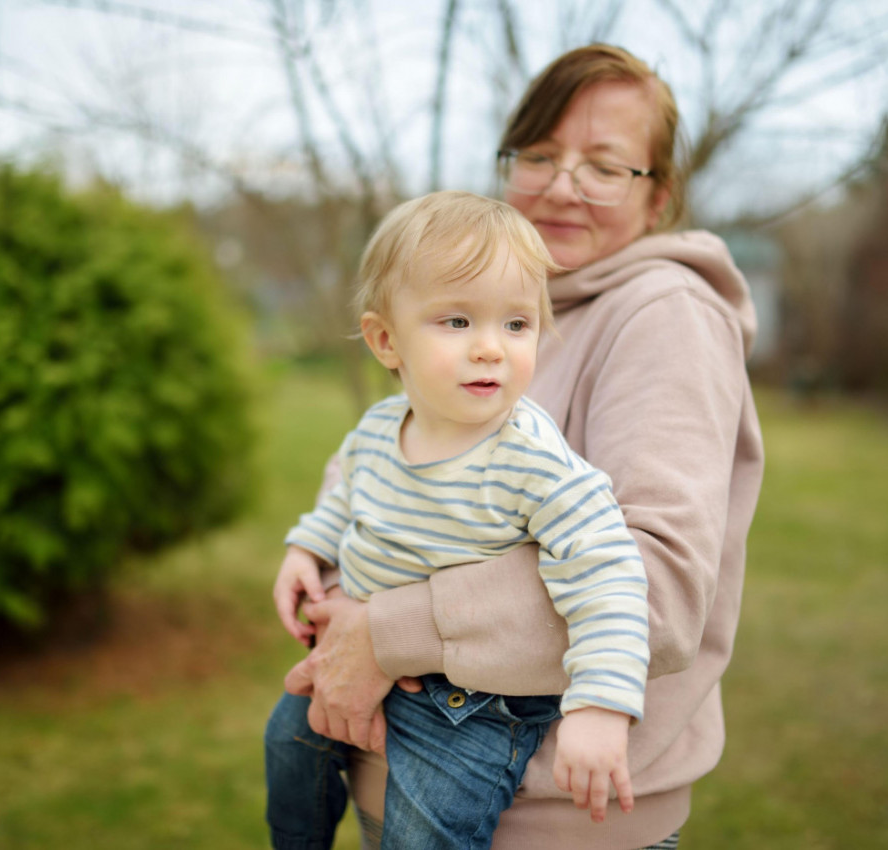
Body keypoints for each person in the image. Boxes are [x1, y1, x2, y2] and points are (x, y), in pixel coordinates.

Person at [284, 44, 764, 850]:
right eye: (538, 155)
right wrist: (322, 563)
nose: (561, 185)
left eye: (605, 166)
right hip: (395, 766)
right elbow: (382, 468)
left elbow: (657, 588)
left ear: (660, 199)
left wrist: (384, 631)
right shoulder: (487, 295)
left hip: (552, 816)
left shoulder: (665, 313)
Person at [265, 190, 652, 850]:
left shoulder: (529, 457)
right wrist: (307, 547)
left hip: (473, 702)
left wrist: (601, 705)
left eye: (515, 324)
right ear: (385, 340)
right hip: (365, 659)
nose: (489, 350)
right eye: (456, 322)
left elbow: (608, 573)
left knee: (422, 833)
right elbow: (348, 496)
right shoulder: (381, 425)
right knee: (287, 743)